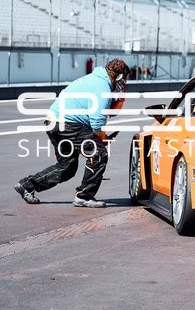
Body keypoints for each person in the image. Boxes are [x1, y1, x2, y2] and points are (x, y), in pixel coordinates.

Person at [14, 58, 131, 207]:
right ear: (120, 77)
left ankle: (27, 186)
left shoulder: (96, 78)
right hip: (68, 123)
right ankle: (84, 196)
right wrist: (102, 139)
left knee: (67, 167)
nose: (125, 83)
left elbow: (110, 112)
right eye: (125, 80)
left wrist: (121, 98)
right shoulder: (102, 87)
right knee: (99, 154)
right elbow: (97, 122)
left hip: (55, 122)